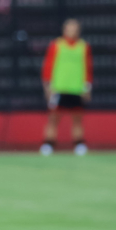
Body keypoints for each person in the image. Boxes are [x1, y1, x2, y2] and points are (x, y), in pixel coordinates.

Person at [40, 19, 93, 156]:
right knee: (53, 118)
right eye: (69, 28)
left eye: (74, 29)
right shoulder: (56, 45)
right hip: (59, 88)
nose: (72, 31)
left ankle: (79, 144)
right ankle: (48, 143)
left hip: (76, 89)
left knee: (77, 119)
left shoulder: (84, 46)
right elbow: (48, 66)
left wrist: (87, 88)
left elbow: (88, 68)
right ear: (64, 30)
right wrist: (47, 86)